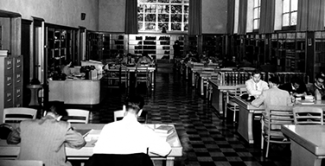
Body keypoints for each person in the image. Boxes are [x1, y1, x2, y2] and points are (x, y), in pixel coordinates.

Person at [7, 101, 86, 166]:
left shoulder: (24, 124)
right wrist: (64, 142)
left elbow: (10, 139)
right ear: (60, 117)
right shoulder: (63, 126)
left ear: (44, 113)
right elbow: (80, 142)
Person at [93, 95, 171, 156]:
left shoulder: (108, 128)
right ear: (140, 112)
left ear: (123, 109)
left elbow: (96, 152)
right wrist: (149, 146)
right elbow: (165, 150)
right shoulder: (145, 131)